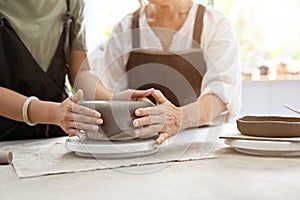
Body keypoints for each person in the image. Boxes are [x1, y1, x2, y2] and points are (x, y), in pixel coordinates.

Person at [0, 0, 152, 141]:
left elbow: (81, 73)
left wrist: (112, 100)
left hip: (54, 135)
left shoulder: (71, 2)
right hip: (5, 139)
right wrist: (52, 113)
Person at [98, 0, 242, 144]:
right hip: (138, 145)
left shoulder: (215, 24)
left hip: (199, 144)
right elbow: (107, 94)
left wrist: (179, 118)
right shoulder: (125, 28)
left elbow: (222, 94)